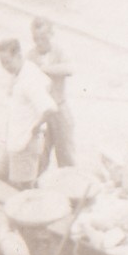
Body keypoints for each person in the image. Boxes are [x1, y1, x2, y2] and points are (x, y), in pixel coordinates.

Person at [0, 38, 57, 189]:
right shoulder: (22, 70)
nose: (5, 67)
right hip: (15, 138)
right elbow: (47, 84)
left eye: (7, 62)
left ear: (18, 56)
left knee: (22, 188)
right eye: (2, 63)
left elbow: (50, 108)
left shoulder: (29, 79)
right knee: (1, 175)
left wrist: (35, 127)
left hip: (26, 142)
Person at [29, 17, 76, 171]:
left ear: (51, 34)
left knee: (66, 153)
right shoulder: (31, 55)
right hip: (40, 111)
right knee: (39, 154)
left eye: (43, 38)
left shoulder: (59, 51)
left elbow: (69, 69)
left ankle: (70, 182)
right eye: (35, 38)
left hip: (58, 107)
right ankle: (33, 181)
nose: (39, 42)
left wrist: (44, 69)